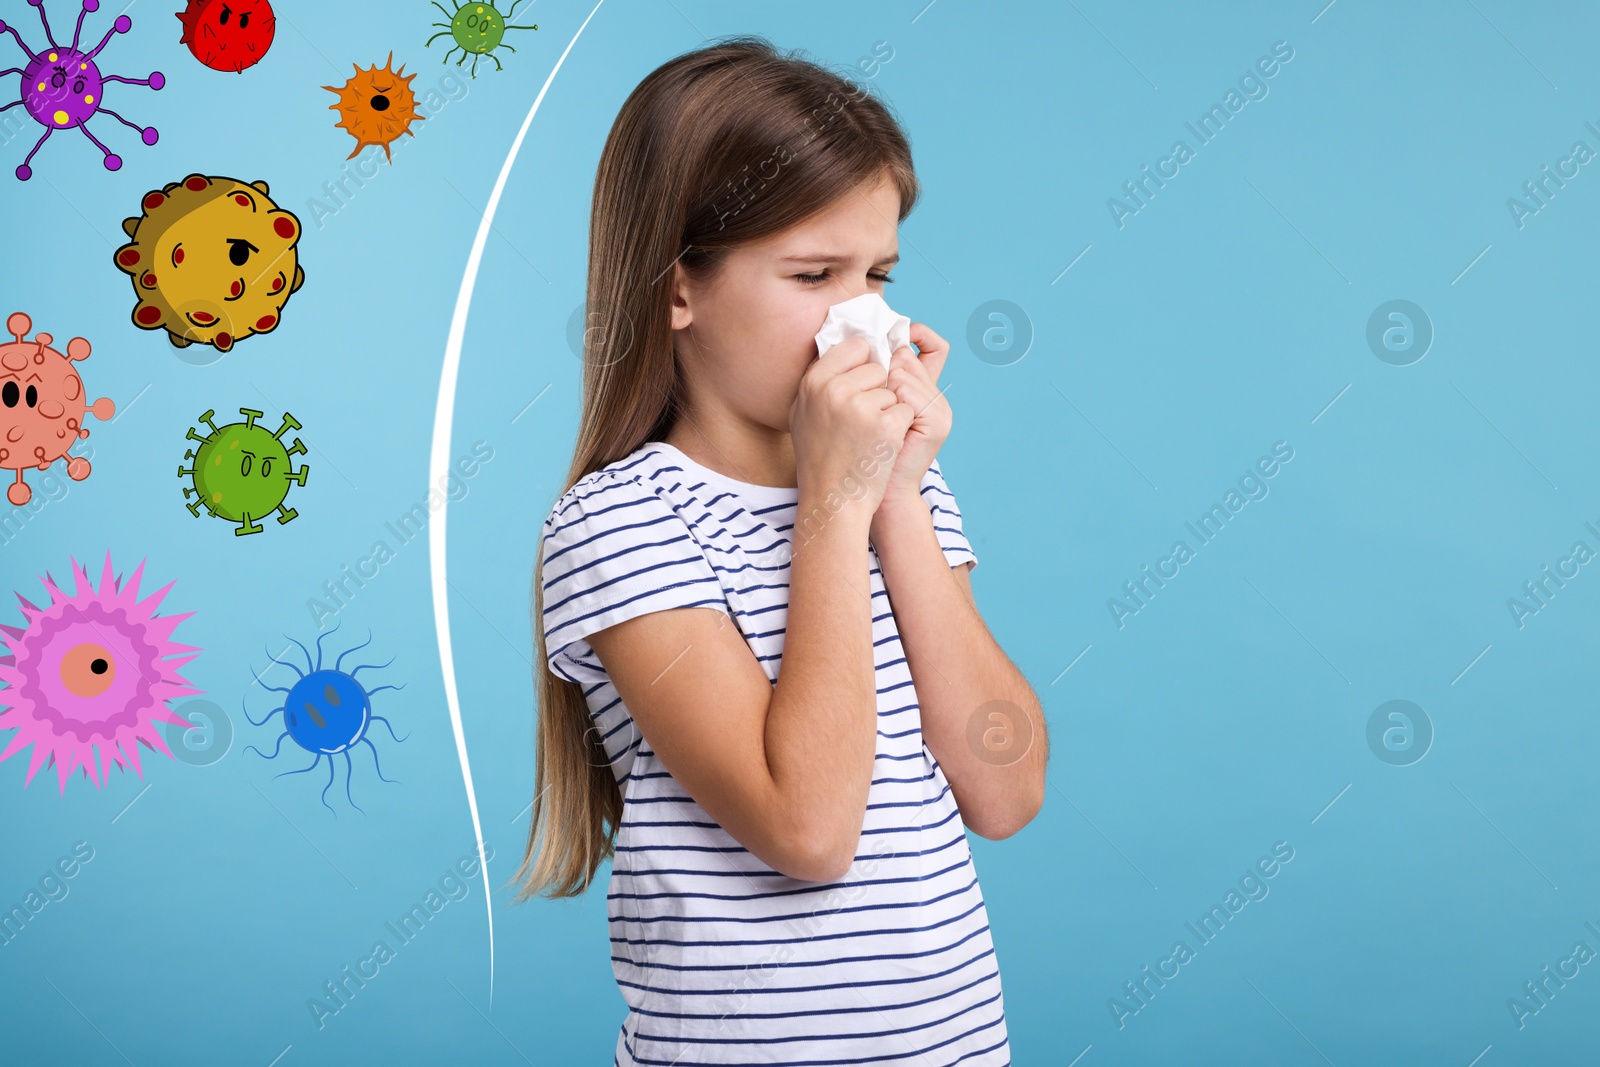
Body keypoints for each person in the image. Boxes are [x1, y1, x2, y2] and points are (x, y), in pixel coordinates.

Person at [508, 35, 1048, 1065]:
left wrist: (891, 493)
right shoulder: (620, 525)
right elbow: (807, 828)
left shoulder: (902, 491)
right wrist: (836, 507)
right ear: (678, 288)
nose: (866, 321)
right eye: (813, 274)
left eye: (879, 275)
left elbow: (1004, 788)